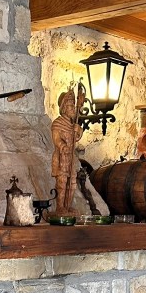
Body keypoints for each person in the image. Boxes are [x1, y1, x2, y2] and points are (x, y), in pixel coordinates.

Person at [50, 82, 85, 215]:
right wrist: (62, 146)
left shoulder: (72, 124)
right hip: (61, 157)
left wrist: (78, 130)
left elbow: (75, 138)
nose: (72, 109)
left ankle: (67, 206)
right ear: (64, 107)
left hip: (71, 158)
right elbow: (57, 138)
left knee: (72, 183)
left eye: (73, 106)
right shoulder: (58, 123)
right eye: (70, 106)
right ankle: (60, 207)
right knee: (62, 182)